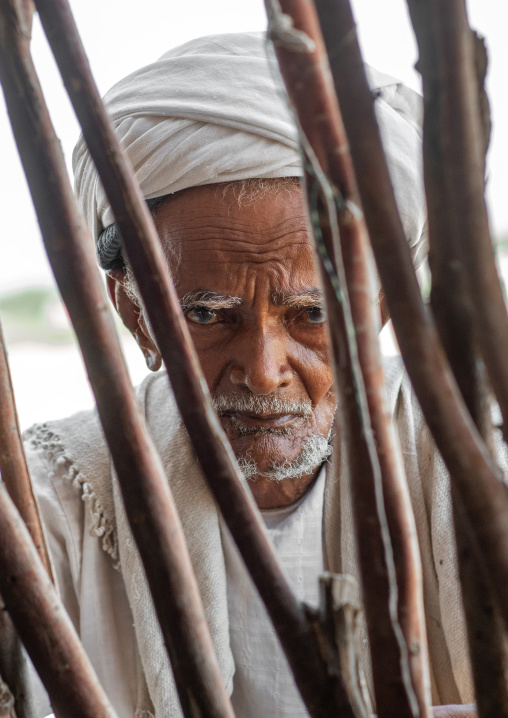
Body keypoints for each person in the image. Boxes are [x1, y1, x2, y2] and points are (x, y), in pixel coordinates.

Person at [25, 32, 476, 718]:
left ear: (379, 307)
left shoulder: (481, 472)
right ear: (136, 317)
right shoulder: (47, 510)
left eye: (312, 313)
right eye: (207, 316)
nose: (264, 374)